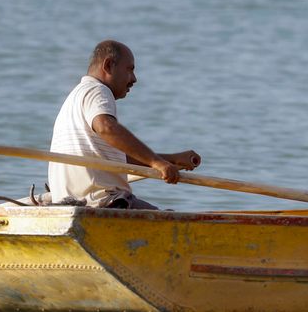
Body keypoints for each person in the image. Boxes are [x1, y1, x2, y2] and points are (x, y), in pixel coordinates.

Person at [48, 39, 201, 209]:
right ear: (108, 66)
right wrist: (157, 162)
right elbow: (106, 128)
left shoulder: (76, 97)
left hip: (69, 202)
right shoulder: (98, 90)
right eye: (130, 69)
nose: (134, 79)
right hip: (101, 201)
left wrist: (170, 160)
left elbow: (119, 159)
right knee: (173, 224)